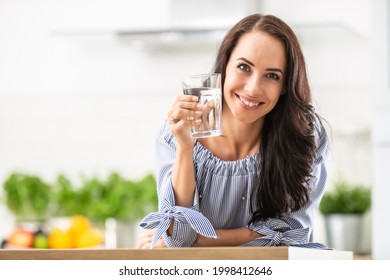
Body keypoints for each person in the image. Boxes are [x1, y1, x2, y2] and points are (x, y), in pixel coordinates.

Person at [137, 13, 330, 249]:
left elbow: (294, 236)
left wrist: (200, 239)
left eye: (272, 75)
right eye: (243, 67)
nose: (252, 88)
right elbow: (178, 235)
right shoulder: (177, 131)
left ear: (284, 86)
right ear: (225, 66)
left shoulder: (304, 136)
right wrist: (185, 147)